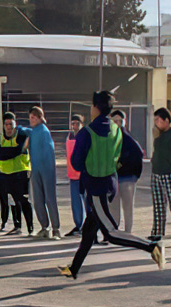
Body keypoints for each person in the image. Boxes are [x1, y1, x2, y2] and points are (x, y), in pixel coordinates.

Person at [61, 90, 164, 279]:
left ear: (95, 108)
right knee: (89, 230)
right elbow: (127, 152)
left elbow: (76, 162)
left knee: (110, 233)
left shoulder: (87, 132)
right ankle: (74, 268)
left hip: (95, 187)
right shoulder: (116, 129)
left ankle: (151, 247)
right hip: (110, 183)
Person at [0, 112, 34, 236]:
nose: (8, 127)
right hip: (6, 174)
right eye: (6, 124)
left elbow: (17, 151)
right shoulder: (0, 138)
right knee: (13, 201)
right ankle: (17, 226)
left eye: (11, 124)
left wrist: (6, 153)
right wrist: (10, 153)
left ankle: (30, 228)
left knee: (23, 200)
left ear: (15, 124)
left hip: (21, 173)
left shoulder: (21, 136)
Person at [28, 107, 61, 240]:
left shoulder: (44, 131)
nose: (31, 120)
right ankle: (44, 227)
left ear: (40, 117)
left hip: (46, 169)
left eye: (34, 117)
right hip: (35, 168)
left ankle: (55, 229)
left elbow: (49, 151)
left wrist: (49, 169)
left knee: (49, 198)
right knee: (38, 199)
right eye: (30, 117)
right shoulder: (33, 132)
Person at [115, 110, 146, 234]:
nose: (117, 124)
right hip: (114, 178)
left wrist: (135, 175)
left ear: (124, 122)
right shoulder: (110, 137)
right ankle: (113, 232)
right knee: (113, 207)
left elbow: (138, 154)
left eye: (119, 121)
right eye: (114, 121)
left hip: (127, 178)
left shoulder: (128, 138)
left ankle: (128, 232)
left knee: (127, 207)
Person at [152, 108, 171, 242]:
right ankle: (157, 232)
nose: (156, 123)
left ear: (166, 121)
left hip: (168, 173)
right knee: (158, 205)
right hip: (156, 174)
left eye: (158, 120)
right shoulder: (158, 136)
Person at [65, 114, 85, 236]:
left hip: (83, 174)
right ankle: (78, 225)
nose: (74, 126)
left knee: (87, 202)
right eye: (73, 123)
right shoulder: (69, 136)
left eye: (77, 123)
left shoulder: (85, 136)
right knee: (75, 203)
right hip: (72, 174)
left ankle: (86, 226)